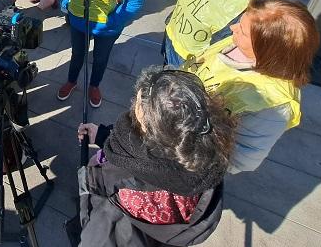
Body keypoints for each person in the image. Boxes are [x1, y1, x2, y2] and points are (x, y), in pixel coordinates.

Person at [76, 68, 236, 246]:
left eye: (138, 110)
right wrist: (103, 135)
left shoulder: (123, 204)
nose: (134, 105)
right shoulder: (205, 159)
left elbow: (94, 235)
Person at [185, 0, 320, 173]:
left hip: (190, 163)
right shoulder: (236, 44)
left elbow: (241, 159)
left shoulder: (273, 105)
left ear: (266, 49)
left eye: (242, 30)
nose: (232, 28)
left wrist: (183, 157)